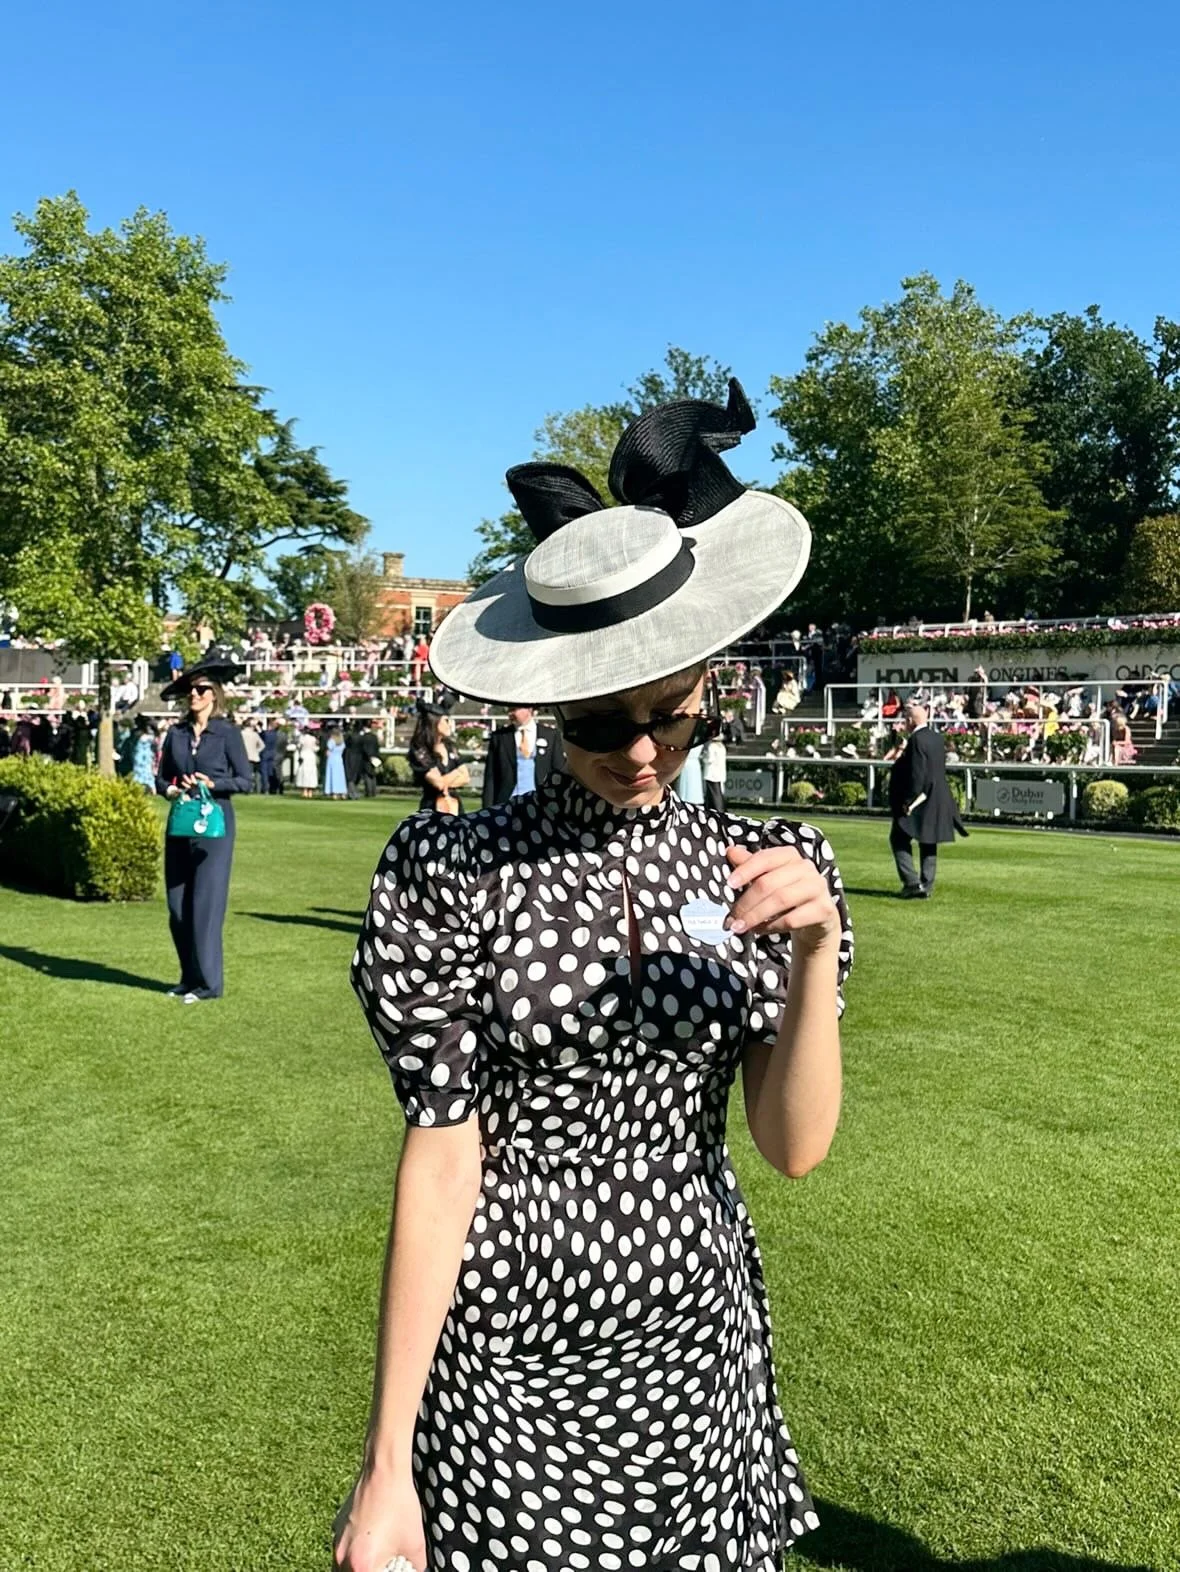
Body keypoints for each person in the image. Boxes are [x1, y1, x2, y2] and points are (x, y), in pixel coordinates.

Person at [336, 380, 853, 1572]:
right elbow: (443, 1151)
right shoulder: (453, 866)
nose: (635, 754)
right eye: (596, 723)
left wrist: (815, 951)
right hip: (503, 1347)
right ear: (541, 704)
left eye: (668, 721)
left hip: (695, 1342)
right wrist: (386, 1468)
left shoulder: (774, 867)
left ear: (707, 683)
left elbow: (794, 1147)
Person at [157, 654, 251, 1002]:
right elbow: (162, 776)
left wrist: (213, 783)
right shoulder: (176, 733)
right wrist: (169, 788)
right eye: (190, 691)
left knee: (205, 908)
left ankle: (209, 985)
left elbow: (245, 780)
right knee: (178, 907)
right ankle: (188, 977)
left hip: (215, 827)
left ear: (214, 695)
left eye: (200, 690)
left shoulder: (226, 733)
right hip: (181, 822)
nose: (194, 696)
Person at [888, 701, 967, 899]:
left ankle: (912, 882)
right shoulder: (936, 738)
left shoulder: (916, 741)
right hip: (938, 796)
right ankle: (926, 884)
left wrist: (909, 801)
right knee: (929, 840)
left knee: (898, 838)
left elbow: (917, 773)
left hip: (919, 798)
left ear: (910, 721)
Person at [480, 702, 564, 805]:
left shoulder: (551, 735)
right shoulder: (500, 737)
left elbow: (559, 771)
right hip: (508, 804)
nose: (510, 713)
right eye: (509, 709)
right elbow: (490, 777)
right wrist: (488, 808)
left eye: (514, 709)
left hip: (541, 804)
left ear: (529, 709)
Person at [407, 697, 468, 812]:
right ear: (434, 722)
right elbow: (438, 783)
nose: (449, 724)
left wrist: (446, 781)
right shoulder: (420, 750)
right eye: (446, 721)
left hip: (454, 806)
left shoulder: (450, 746)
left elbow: (466, 777)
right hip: (432, 807)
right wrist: (456, 773)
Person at [702, 726, 728, 810]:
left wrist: (703, 758)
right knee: (717, 792)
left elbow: (710, 759)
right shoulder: (722, 747)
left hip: (711, 773)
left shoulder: (712, 747)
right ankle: (714, 808)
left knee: (714, 794)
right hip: (719, 773)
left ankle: (718, 809)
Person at [131, 716, 157, 794]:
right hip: (143, 756)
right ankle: (150, 788)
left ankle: (145, 788)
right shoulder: (147, 735)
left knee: (143, 771)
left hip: (141, 756)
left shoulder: (136, 734)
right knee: (145, 771)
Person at [240, 716, 265, 792]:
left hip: (244, 756)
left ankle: (248, 788)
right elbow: (262, 745)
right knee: (257, 774)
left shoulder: (241, 734)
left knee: (247, 773)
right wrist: (257, 751)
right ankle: (258, 788)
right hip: (255, 756)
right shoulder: (255, 734)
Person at [359, 719, 382, 798]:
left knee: (367, 776)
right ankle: (373, 792)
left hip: (367, 759)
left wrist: (369, 757)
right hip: (375, 758)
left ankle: (369, 792)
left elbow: (364, 749)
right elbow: (377, 748)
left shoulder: (364, 737)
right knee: (373, 775)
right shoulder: (374, 737)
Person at [261, 719, 285, 794]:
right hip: (274, 753)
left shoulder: (266, 734)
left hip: (266, 753)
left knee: (264, 772)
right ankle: (273, 787)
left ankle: (266, 788)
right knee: (272, 771)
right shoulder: (277, 734)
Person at [294, 728, 319, 798]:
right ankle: (310, 791)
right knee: (311, 773)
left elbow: (299, 746)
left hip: (304, 755)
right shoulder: (313, 738)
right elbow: (315, 748)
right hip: (311, 756)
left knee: (304, 773)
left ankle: (305, 790)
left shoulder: (302, 738)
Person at [323, 728, 348, 799]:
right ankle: (342, 793)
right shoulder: (342, 742)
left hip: (332, 759)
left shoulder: (331, 741)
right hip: (339, 759)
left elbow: (328, 751)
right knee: (340, 776)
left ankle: (334, 792)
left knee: (332, 775)